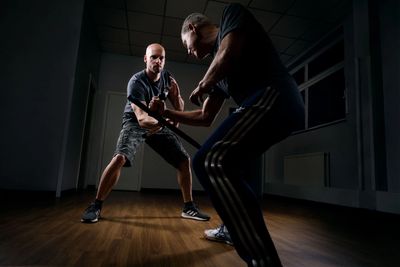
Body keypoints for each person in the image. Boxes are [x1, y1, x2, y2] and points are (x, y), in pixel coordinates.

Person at [149, 3, 304, 266]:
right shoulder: (217, 70)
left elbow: (228, 53)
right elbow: (205, 117)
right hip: (263, 107)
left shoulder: (232, 16)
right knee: (227, 166)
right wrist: (167, 115)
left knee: (209, 160)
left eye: (187, 44)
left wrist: (203, 83)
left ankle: (262, 260)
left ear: (192, 28)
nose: (190, 52)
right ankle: (233, 228)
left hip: (276, 96)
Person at [81, 43, 210, 223]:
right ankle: (96, 205)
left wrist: (177, 94)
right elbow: (142, 119)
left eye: (161, 58)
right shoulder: (136, 82)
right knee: (120, 158)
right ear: (145, 59)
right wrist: (166, 122)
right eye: (153, 57)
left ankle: (189, 207)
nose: (158, 61)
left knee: (183, 160)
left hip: (158, 123)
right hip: (135, 122)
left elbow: (178, 109)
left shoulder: (167, 78)